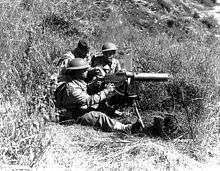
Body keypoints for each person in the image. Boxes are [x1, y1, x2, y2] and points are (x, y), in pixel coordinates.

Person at [54, 58, 142, 133]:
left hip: (78, 110)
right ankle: (125, 128)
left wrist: (94, 84)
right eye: (84, 70)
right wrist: (106, 91)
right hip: (73, 116)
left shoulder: (76, 81)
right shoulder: (71, 88)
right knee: (98, 116)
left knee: (101, 108)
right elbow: (88, 100)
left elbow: (85, 90)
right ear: (77, 72)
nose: (86, 71)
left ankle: (117, 120)